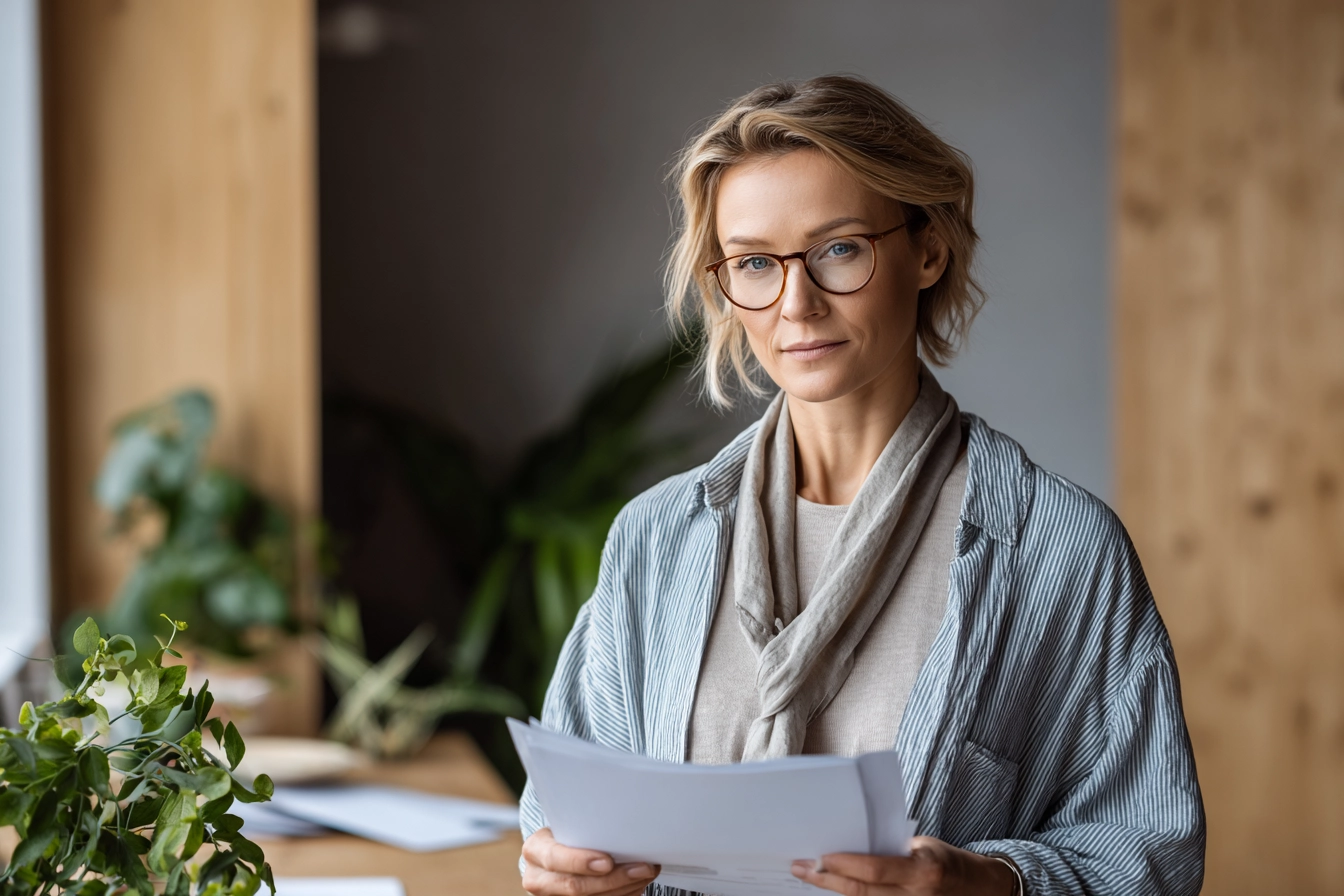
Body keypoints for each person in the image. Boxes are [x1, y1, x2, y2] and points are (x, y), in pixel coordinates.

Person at [517, 75, 1204, 896]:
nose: (795, 304)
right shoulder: (657, 538)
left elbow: (1153, 857)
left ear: (927, 248)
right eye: (755, 264)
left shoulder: (1059, 552)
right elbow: (561, 810)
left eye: (839, 248)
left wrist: (989, 883)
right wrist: (561, 864)